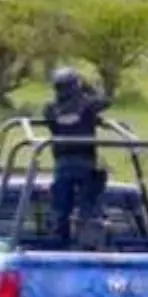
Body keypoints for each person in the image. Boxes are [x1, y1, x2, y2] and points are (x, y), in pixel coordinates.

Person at [41, 65, 112, 250]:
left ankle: (58, 243)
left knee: (61, 207)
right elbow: (105, 101)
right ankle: (88, 244)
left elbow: (54, 123)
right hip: (85, 162)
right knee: (89, 205)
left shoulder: (50, 109)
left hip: (62, 164)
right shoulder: (87, 106)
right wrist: (88, 87)